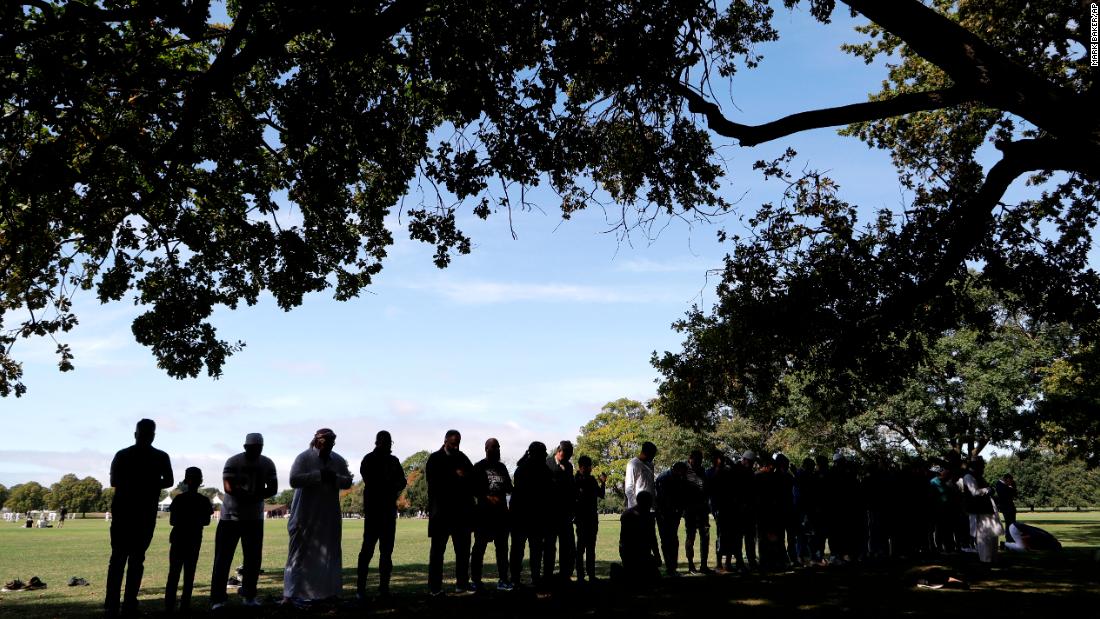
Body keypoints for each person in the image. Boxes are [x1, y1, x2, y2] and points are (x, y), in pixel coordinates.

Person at [105, 419, 174, 618]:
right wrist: (149, 482)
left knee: (117, 559)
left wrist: (133, 482)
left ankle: (112, 604)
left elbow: (114, 480)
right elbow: (168, 480)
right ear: (153, 435)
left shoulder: (122, 454)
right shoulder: (160, 457)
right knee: (137, 559)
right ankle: (129, 603)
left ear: (135, 434)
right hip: (145, 513)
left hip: (123, 512)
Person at [284, 428, 354, 603]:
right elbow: (294, 480)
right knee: (298, 554)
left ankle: (330, 593)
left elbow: (347, 482)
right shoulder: (303, 458)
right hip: (305, 515)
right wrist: (318, 476)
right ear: (316, 441)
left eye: (331, 444)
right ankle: (291, 594)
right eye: (325, 443)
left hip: (328, 515)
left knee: (330, 554)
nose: (328, 447)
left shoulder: (337, 459)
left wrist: (334, 478)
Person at [211, 432, 278, 610]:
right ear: (246, 447)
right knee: (226, 559)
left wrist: (250, 496)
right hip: (233, 516)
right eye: (254, 448)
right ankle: (221, 598)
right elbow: (229, 487)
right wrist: (254, 496)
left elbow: (273, 488)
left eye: (258, 448)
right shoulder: (255, 462)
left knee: (250, 559)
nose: (256, 451)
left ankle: (242, 596)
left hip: (247, 517)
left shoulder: (237, 461)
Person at [357, 430, 407, 600]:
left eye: (388, 442)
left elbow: (403, 480)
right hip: (376, 512)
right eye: (385, 442)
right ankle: (363, 589)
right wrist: (391, 487)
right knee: (369, 551)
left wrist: (390, 486)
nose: (387, 445)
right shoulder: (370, 460)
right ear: (378, 442)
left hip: (384, 512)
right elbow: (372, 480)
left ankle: (381, 588)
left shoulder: (390, 461)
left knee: (384, 552)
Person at [425, 429, 476, 595]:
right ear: (445, 440)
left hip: (461, 514)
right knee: (437, 553)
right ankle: (434, 587)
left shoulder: (462, 458)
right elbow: (435, 484)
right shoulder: (434, 459)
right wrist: (458, 477)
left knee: (462, 551)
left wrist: (460, 478)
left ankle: (462, 584)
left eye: (458, 443)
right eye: (453, 443)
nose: (456, 446)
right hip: (441, 514)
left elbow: (472, 478)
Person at [165, 467, 213, 614]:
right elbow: (206, 522)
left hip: (178, 538)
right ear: (201, 481)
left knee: (173, 573)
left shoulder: (179, 499)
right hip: (194, 539)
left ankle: (169, 605)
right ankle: (185, 604)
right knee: (189, 573)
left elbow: (172, 521)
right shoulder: (204, 501)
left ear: (186, 481)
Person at [471, 437, 513, 591]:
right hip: (483, 515)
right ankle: (476, 580)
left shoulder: (502, 467)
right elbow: (472, 489)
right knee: (479, 549)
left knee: (502, 549)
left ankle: (503, 579)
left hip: (501, 516)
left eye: (498, 447)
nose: (497, 450)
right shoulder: (478, 467)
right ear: (486, 449)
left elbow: (509, 487)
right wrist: (487, 497)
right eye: (494, 447)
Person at [509, 441, 552, 588]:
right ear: (536, 453)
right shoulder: (542, 470)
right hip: (532, 518)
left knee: (518, 550)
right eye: (543, 452)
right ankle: (534, 578)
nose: (546, 455)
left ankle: (516, 578)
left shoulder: (521, 469)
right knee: (534, 550)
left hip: (521, 517)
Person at [544, 440, 577, 583]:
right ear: (559, 451)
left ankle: (565, 574)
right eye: (567, 455)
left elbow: (571, 488)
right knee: (550, 546)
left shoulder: (569, 466)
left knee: (568, 546)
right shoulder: (547, 464)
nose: (568, 458)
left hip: (566, 514)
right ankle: (548, 575)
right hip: (551, 514)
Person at [961, 457, 1002, 564]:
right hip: (979, 510)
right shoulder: (968, 476)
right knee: (984, 536)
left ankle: (993, 559)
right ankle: (985, 560)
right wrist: (988, 489)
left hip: (986, 509)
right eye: (981, 465)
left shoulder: (979, 477)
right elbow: (974, 492)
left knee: (992, 535)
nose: (983, 467)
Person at [574, 455, 606, 582]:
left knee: (591, 548)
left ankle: (591, 575)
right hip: (582, 519)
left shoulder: (592, 480)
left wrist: (603, 483)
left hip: (592, 518)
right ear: (582, 467)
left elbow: (601, 495)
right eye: (588, 467)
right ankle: (581, 576)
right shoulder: (575, 481)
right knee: (581, 548)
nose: (590, 469)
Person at [617, 490, 660, 582]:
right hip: (636, 552)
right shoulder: (647, 517)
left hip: (628, 551)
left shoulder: (627, 514)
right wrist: (657, 556)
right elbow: (652, 538)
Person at [655, 462, 690, 575]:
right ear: (677, 470)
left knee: (673, 540)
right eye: (683, 472)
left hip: (674, 514)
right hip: (664, 514)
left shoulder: (680, 478)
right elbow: (662, 498)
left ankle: (673, 567)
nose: (684, 475)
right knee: (666, 540)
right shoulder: (664, 478)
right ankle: (670, 567)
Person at [683, 450, 711, 573]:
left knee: (705, 536)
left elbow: (706, 488)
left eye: (700, 460)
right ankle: (690, 565)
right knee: (691, 537)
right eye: (696, 460)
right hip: (690, 510)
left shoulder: (702, 470)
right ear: (690, 458)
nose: (699, 462)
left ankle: (704, 565)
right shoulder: (684, 470)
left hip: (702, 509)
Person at [625, 442, 657, 510]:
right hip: (637, 508)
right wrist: (635, 506)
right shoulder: (633, 464)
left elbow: (651, 486)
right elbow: (629, 488)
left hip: (650, 507)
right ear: (646, 453)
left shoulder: (650, 465)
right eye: (652, 455)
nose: (653, 457)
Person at [995, 473, 1017, 543]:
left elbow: (1015, 493)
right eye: (1010, 481)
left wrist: (1010, 488)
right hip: (1005, 507)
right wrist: (1010, 488)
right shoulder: (999, 485)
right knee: (1009, 523)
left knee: (1013, 523)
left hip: (1011, 506)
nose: (1011, 482)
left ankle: (1012, 538)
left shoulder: (1010, 484)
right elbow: (1004, 495)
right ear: (1006, 479)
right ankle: (1009, 538)